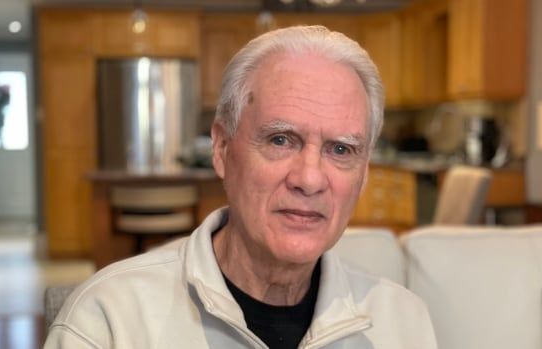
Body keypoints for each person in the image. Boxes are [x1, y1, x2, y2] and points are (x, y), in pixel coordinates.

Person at [44, 25, 437, 349]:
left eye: (341, 149)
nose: (310, 179)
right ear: (222, 149)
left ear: (364, 173)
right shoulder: (109, 319)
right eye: (281, 140)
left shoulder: (402, 323)